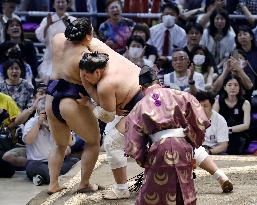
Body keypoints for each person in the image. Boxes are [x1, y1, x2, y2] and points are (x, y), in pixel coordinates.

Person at [124, 78, 211, 204]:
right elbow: (199, 121)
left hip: (159, 149)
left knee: (152, 193)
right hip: (183, 147)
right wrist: (193, 140)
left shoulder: (139, 106)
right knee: (185, 190)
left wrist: (144, 159)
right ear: (159, 83)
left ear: (142, 89)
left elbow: (133, 142)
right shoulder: (181, 95)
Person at [45, 17, 101, 194]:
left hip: (51, 97)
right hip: (72, 100)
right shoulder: (87, 55)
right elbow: (93, 81)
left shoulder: (57, 39)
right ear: (87, 36)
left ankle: (53, 184)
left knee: (59, 144)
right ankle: (84, 183)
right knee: (93, 142)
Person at [78, 49, 142, 199]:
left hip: (142, 107)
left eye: (87, 76)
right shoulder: (113, 63)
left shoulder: (104, 85)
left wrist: (89, 103)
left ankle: (121, 189)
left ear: (98, 72)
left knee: (112, 141)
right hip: (152, 98)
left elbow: (107, 116)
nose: (85, 79)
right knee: (170, 136)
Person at [23, 96, 79, 186]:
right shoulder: (32, 122)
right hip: (38, 162)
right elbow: (28, 141)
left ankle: (43, 177)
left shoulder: (59, 122)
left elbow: (70, 143)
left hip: (58, 162)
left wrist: (57, 128)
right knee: (32, 167)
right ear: (38, 112)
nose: (47, 116)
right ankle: (56, 177)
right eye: (45, 113)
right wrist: (38, 124)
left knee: (76, 162)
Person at [35, 0, 76, 84]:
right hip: (51, 58)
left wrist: (68, 25)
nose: (60, 4)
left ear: (67, 4)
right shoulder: (47, 20)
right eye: (58, 2)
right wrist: (47, 25)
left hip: (69, 58)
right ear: (53, 5)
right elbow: (40, 37)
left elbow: (77, 38)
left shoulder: (73, 20)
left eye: (63, 2)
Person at [213, 74, 251, 154]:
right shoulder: (218, 102)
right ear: (224, 87)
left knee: (236, 142)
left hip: (238, 135)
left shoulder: (245, 103)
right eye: (229, 85)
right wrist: (222, 131)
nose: (233, 88)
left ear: (239, 87)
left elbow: (246, 125)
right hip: (220, 134)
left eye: (236, 85)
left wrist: (228, 130)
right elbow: (213, 120)